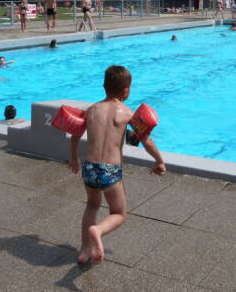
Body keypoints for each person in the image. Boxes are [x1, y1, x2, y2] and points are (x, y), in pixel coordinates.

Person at [68, 65, 165, 265]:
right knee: (118, 213)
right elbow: (145, 140)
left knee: (92, 205)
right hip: (110, 171)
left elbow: (74, 136)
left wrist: (73, 159)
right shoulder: (127, 113)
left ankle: (84, 250)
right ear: (126, 91)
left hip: (89, 167)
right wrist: (159, 161)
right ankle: (98, 230)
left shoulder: (91, 110)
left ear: (104, 86)